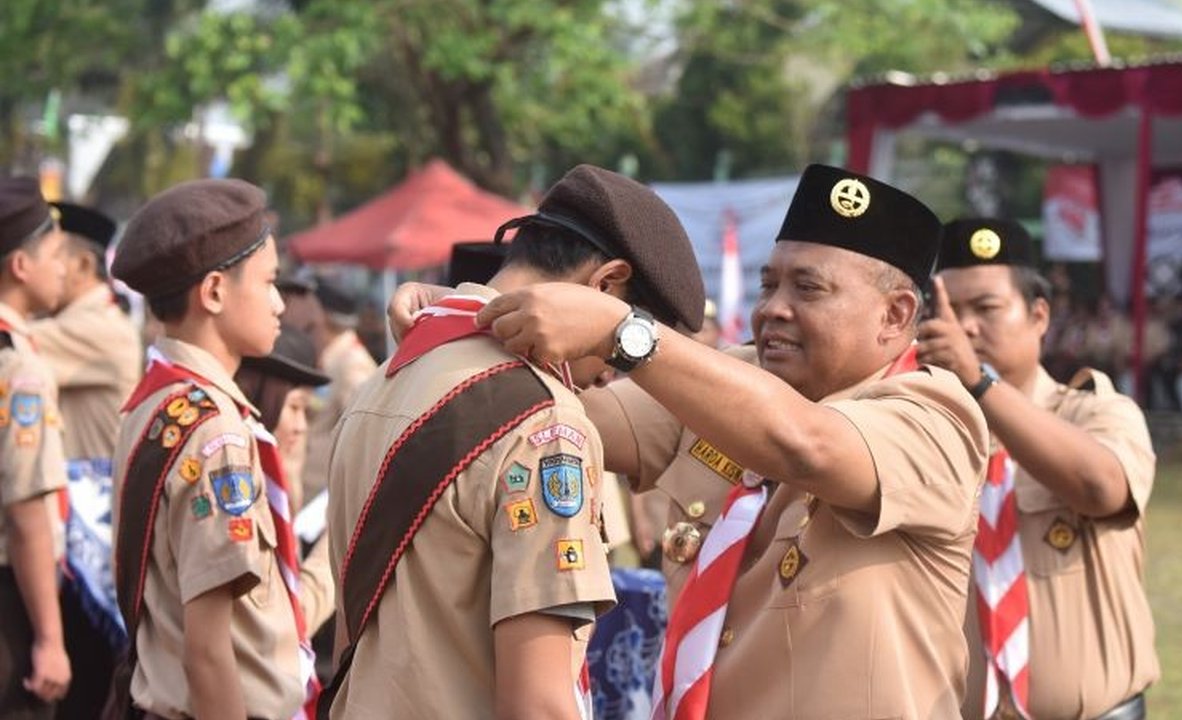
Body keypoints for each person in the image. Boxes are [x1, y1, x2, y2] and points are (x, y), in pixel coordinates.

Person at [459, 164, 990, 719]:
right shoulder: (728, 378)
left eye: (807, 288)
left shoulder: (936, 416)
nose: (773, 308)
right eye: (768, 284)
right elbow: (555, 418)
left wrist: (623, 332)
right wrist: (461, 324)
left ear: (895, 314)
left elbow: (805, 445)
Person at [322, 164, 705, 720]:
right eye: (624, 347)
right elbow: (540, 704)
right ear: (604, 287)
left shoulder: (390, 373)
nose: (611, 376)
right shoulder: (547, 423)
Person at [916, 217, 1158, 719]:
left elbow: (1101, 486)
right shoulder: (928, 433)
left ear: (1040, 316)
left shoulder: (1095, 411)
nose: (966, 328)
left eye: (986, 309)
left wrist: (980, 384)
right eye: (950, 311)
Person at [109, 179, 311, 720]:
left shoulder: (155, 402)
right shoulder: (215, 430)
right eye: (269, 282)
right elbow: (207, 652)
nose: (279, 304)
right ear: (215, 291)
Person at [26, 201, 142, 720]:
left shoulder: (98, 327)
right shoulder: (85, 321)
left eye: (53, 255)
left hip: (84, 547)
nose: (46, 268)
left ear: (79, 266)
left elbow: (15, 346)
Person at [0, 178, 72, 718]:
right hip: (12, 603)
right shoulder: (20, 369)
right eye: (55, 253)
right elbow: (26, 511)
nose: (64, 267)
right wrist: (49, 639)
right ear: (20, 266)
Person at [233, 325, 333, 640]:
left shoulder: (275, 476)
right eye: (294, 408)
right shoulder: (242, 487)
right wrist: (336, 548)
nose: (301, 427)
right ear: (266, 401)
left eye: (307, 412)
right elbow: (286, 624)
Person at [291, 277, 376, 504]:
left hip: (325, 498)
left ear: (322, 315)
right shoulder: (332, 356)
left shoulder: (352, 364)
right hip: (312, 489)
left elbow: (361, 439)